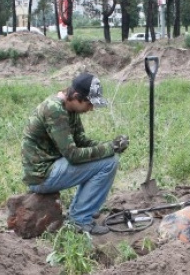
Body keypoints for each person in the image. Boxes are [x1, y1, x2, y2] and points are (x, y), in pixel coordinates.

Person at [21, 73, 129, 235]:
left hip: (52, 167)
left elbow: (81, 141)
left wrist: (110, 146)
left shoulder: (69, 108)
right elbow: (73, 155)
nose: (91, 109)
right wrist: (109, 148)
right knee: (109, 162)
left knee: (107, 159)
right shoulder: (54, 110)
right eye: (89, 103)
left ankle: (83, 210)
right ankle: (80, 219)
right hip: (41, 176)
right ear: (76, 96)